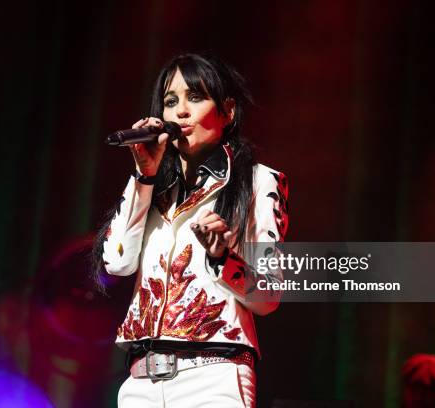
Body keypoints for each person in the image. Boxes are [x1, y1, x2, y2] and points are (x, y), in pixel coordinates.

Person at [93, 53, 289, 408]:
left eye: (195, 97)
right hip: (140, 383)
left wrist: (222, 258)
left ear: (227, 111)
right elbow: (116, 264)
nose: (180, 111)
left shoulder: (259, 182)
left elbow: (269, 297)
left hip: (213, 378)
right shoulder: (148, 185)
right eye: (170, 102)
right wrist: (144, 176)